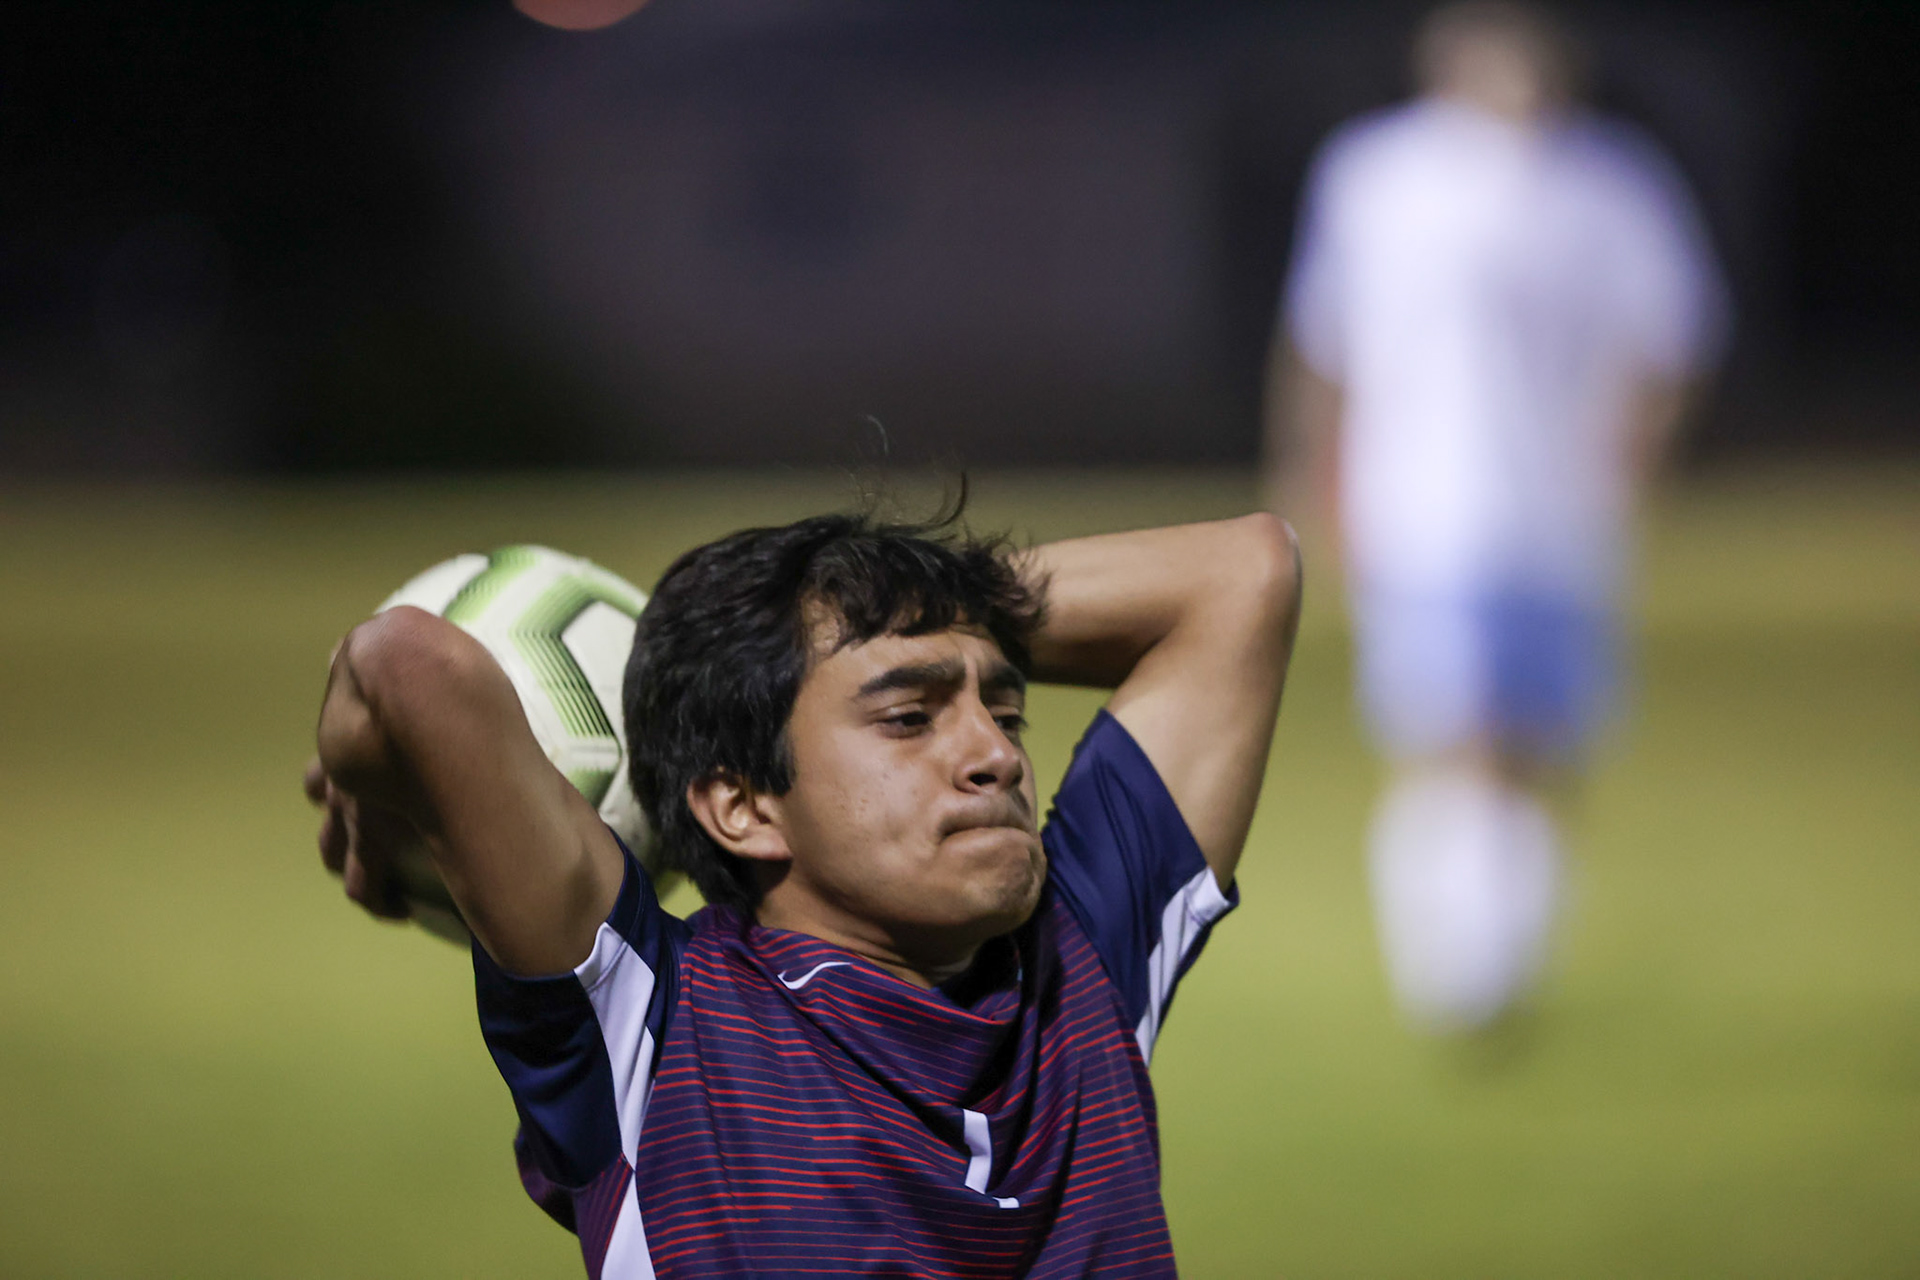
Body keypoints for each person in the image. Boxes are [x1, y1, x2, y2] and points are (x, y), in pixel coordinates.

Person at [306, 500, 1300, 1277]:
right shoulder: (649, 1026)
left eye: (1003, 708)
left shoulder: (1078, 956)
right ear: (740, 802)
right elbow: (409, 660)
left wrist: (885, 596)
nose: (995, 753)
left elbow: (1245, 571)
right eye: (911, 716)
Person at [1266, 2, 1728, 1032]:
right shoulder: (1378, 175)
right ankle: (1453, 966)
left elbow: (1672, 335)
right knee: (1452, 727)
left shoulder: (1609, 182)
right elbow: (1324, 339)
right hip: (1425, 502)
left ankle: (1504, 949)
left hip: (1564, 514)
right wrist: (1311, 470)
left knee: (1540, 744)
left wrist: (1634, 459)